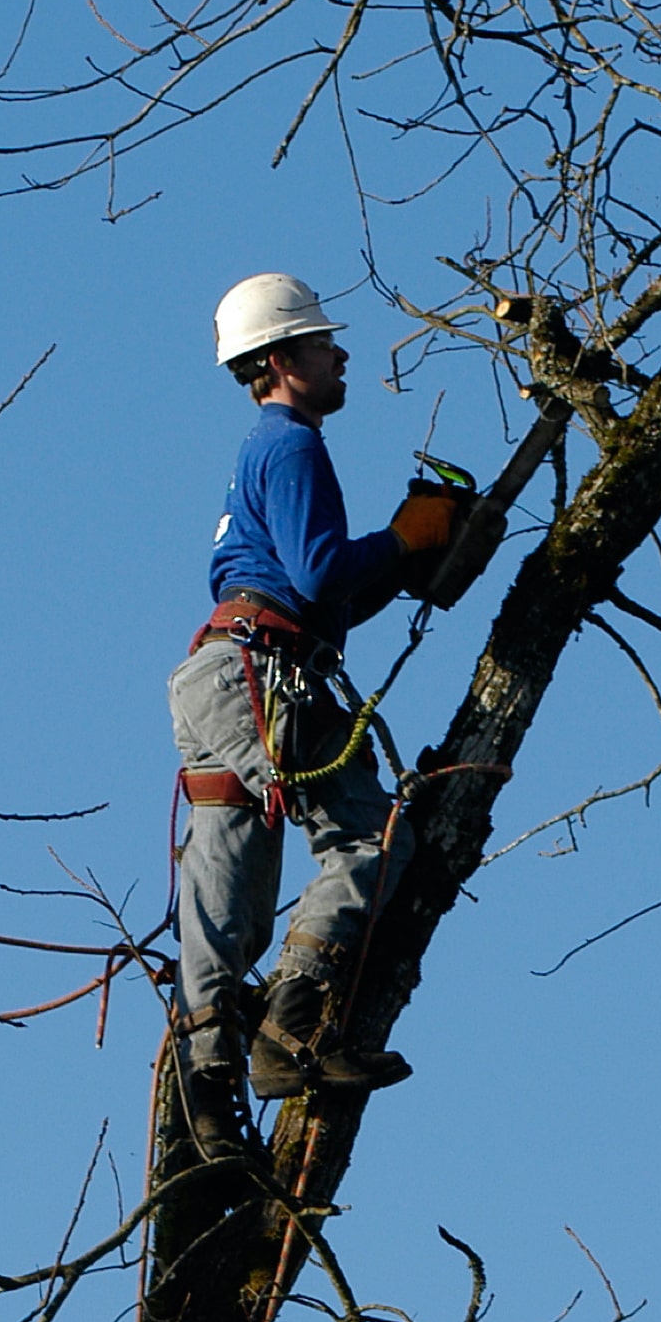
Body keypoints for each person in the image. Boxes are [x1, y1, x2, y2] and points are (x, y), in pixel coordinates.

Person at [168, 273, 457, 1157]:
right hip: (261, 675)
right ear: (285, 359)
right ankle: (292, 1029)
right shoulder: (291, 446)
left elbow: (317, 598)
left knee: (230, 883)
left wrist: (401, 564)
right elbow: (323, 575)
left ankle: (207, 1098)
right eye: (327, 344)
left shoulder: (264, 447)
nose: (343, 357)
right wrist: (407, 541)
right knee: (374, 838)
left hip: (231, 671)